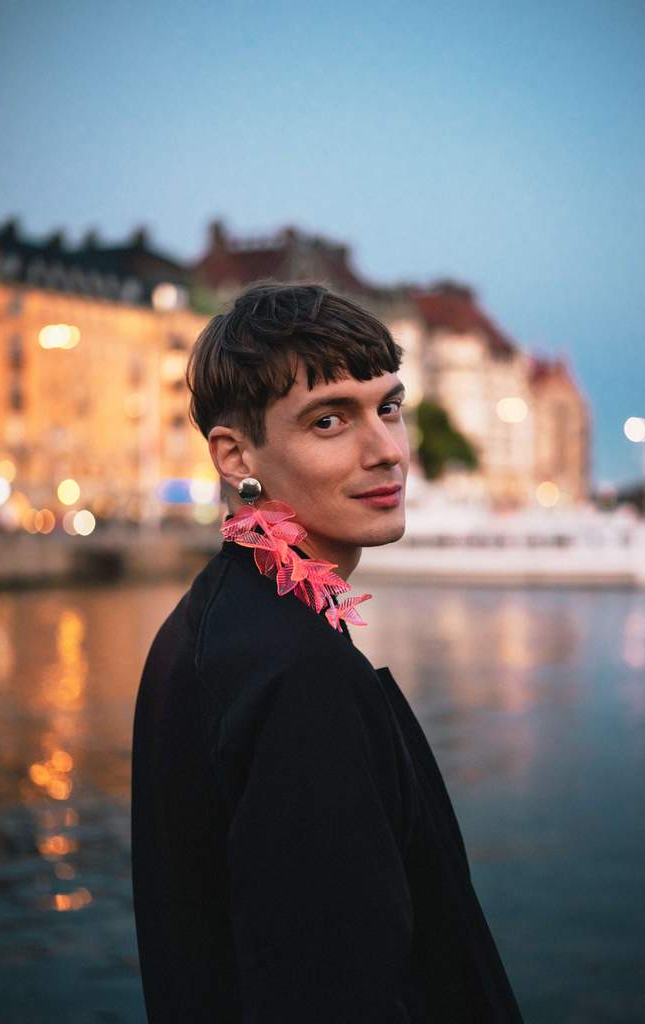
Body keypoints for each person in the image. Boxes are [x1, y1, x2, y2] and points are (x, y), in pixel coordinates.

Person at [130, 282, 524, 1022]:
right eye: (329, 420)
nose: (386, 451)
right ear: (235, 453)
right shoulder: (296, 671)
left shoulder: (221, 619)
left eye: (389, 408)